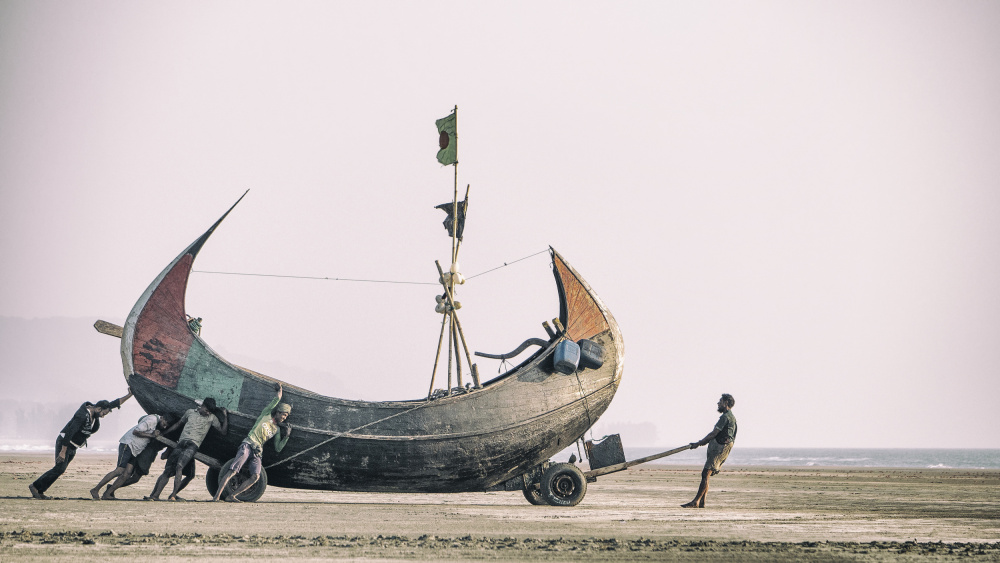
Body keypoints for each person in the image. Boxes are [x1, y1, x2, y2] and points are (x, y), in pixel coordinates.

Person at [28, 388, 133, 500]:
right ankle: (35, 486)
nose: (103, 416)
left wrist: (129, 394)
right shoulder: (82, 415)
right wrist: (63, 451)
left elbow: (115, 403)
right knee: (59, 468)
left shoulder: (96, 411)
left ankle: (39, 490)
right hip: (65, 443)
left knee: (59, 469)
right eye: (103, 413)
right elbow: (70, 432)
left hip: (73, 446)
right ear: (98, 408)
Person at [213, 382, 292, 502]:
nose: (284, 418)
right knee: (233, 470)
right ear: (278, 412)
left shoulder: (277, 430)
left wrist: (286, 437)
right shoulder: (266, 415)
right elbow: (276, 400)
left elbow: (278, 448)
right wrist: (279, 391)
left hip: (257, 451)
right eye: (284, 415)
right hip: (248, 444)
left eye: (286, 416)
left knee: (256, 476)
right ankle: (216, 497)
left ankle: (232, 496)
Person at [147, 397, 228, 501]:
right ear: (202, 406)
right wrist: (164, 433)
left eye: (210, 412)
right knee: (169, 470)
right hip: (182, 443)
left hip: (193, 445)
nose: (208, 413)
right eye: (207, 410)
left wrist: (225, 416)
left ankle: (172, 495)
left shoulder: (212, 418)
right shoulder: (190, 412)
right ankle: (157, 496)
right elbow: (178, 424)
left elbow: (223, 431)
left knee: (180, 468)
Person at [91, 413, 171, 500]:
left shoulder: (155, 423)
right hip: (128, 444)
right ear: (162, 418)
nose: (164, 427)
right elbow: (136, 432)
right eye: (164, 424)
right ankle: (95, 489)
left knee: (127, 474)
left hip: (135, 450)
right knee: (119, 470)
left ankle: (107, 494)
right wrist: (151, 435)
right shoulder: (152, 420)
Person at [682, 393, 737, 509]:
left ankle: (696, 501)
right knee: (707, 473)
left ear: (726, 403)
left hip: (721, 447)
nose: (718, 403)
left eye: (720, 401)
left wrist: (699, 443)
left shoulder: (726, 417)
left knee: (706, 473)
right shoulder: (730, 417)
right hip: (722, 446)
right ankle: (702, 501)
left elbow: (714, 433)